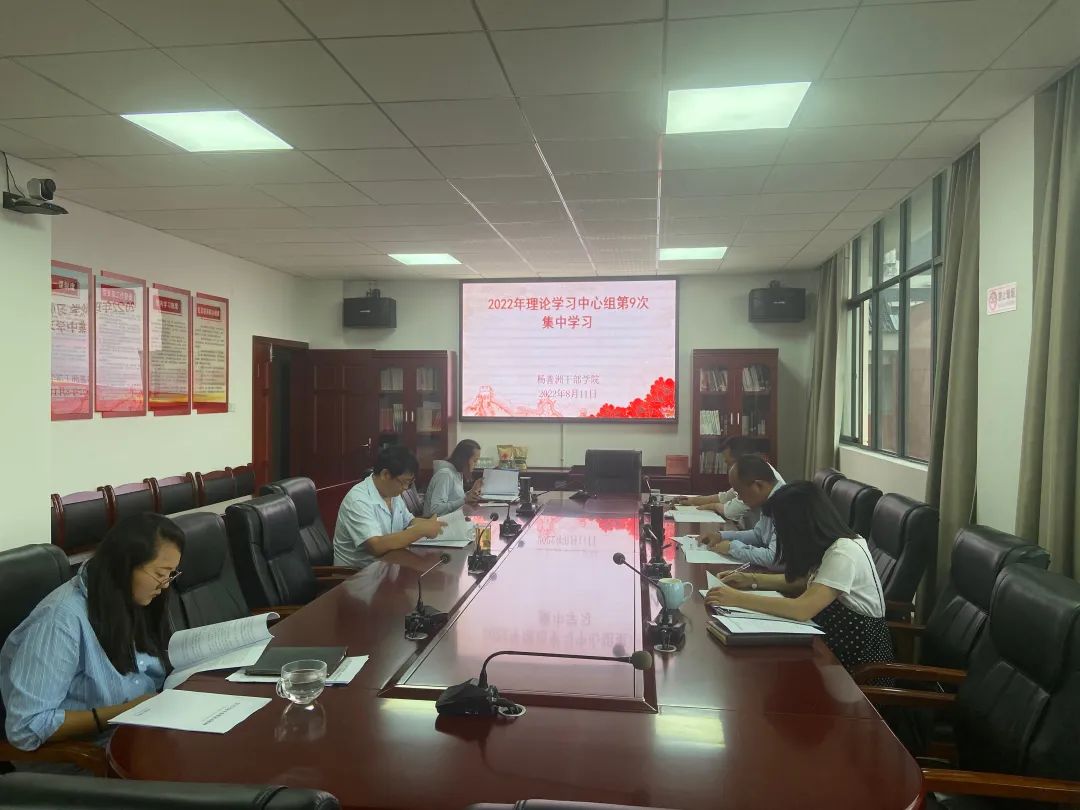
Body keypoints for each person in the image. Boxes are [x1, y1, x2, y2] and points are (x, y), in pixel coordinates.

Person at [1, 513, 183, 754]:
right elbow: (25, 727)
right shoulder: (60, 621)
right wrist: (124, 712)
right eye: (160, 574)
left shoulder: (132, 599)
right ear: (124, 565)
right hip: (88, 756)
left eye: (171, 574)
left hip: (141, 732)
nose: (166, 584)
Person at [705, 481, 893, 674]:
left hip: (856, 667)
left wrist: (737, 599)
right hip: (826, 647)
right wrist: (751, 579)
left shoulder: (844, 552)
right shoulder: (830, 544)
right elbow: (805, 583)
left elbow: (802, 609)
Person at [334, 445, 447, 568]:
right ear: (385, 474)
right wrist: (420, 531)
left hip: (388, 566)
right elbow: (376, 546)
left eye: (409, 483)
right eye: (404, 482)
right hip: (357, 574)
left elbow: (409, 521)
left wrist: (433, 524)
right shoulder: (358, 500)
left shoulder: (392, 494)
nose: (405, 488)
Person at [699, 454, 784, 568]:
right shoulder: (770, 499)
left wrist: (733, 548)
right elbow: (758, 535)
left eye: (740, 492)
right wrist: (721, 536)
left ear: (758, 485)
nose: (739, 498)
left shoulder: (786, 504)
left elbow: (775, 559)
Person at [674, 436, 782, 523]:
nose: (730, 469)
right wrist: (693, 500)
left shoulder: (756, 476)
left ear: (743, 461)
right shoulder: (752, 471)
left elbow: (730, 512)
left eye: (730, 463)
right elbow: (726, 497)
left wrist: (712, 506)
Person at [423, 439, 483, 517]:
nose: (476, 464)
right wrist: (464, 500)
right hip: (436, 522)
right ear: (464, 460)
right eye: (475, 461)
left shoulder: (457, 473)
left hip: (450, 519)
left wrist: (471, 492)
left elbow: (454, 498)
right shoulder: (445, 474)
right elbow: (435, 509)